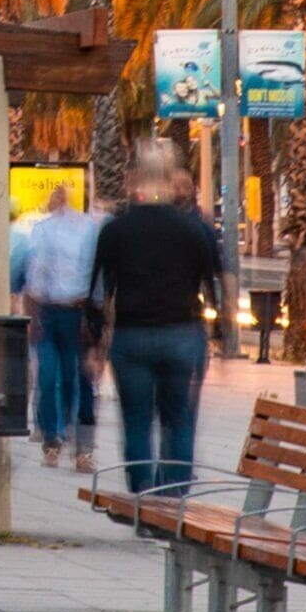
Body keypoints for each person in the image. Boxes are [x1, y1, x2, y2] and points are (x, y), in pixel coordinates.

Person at [92, 140, 226, 498]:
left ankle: (142, 498)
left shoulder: (115, 230)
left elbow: (100, 292)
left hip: (131, 336)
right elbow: (217, 282)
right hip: (182, 333)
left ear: (134, 179)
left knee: (136, 422)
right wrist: (219, 332)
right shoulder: (194, 229)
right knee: (178, 419)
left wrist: (97, 340)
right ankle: (173, 500)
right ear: (171, 179)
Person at [7, 177, 106, 473]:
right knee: (49, 376)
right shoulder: (41, 229)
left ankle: (83, 448)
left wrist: (97, 322)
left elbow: (95, 277)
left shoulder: (89, 230)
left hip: (77, 313)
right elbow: (33, 273)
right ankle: (52, 439)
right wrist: (33, 315)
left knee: (81, 379)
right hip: (49, 313)